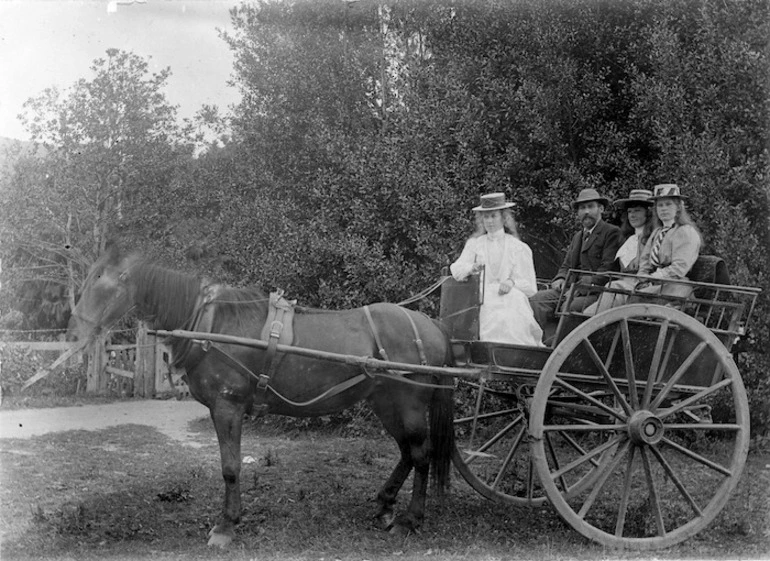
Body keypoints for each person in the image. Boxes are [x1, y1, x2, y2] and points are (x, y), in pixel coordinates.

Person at [450, 193, 544, 346]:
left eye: (493, 216)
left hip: (510, 296)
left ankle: (513, 349)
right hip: (482, 296)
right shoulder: (475, 245)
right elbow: (456, 269)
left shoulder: (518, 247)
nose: (489, 221)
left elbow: (530, 286)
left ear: (503, 218)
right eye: (486, 217)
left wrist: (511, 282)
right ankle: (488, 349)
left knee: (512, 302)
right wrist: (471, 268)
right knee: (487, 303)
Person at [529, 188, 621, 328]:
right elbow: (566, 265)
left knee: (571, 307)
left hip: (595, 293)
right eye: (582, 208)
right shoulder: (578, 236)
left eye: (590, 207)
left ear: (601, 209)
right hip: (570, 289)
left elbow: (607, 270)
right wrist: (560, 278)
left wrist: (581, 287)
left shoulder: (611, 233)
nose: (586, 212)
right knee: (537, 300)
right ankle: (537, 343)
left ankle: (561, 347)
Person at [583, 189, 654, 315]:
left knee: (590, 315)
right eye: (630, 212)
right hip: (619, 288)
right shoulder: (628, 239)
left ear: (648, 213)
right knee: (586, 312)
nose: (632, 215)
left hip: (638, 290)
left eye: (637, 211)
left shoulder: (653, 239)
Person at [631, 183, 701, 303]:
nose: (663, 209)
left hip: (674, 286)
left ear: (678, 207)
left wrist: (652, 279)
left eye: (668, 204)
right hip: (653, 284)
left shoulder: (685, 231)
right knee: (616, 287)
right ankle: (591, 317)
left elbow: (679, 268)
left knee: (632, 296)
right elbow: (645, 261)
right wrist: (642, 278)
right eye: (660, 205)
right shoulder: (657, 232)